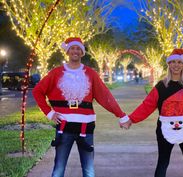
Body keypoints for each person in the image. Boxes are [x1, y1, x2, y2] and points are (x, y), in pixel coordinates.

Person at [32, 37, 129, 177]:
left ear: (82, 52)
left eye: (78, 48)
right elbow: (37, 92)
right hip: (64, 126)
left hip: (86, 127)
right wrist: (49, 113)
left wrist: (121, 115)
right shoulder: (56, 73)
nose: (75, 51)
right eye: (72, 48)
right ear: (68, 51)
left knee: (88, 170)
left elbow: (105, 97)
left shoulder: (91, 74)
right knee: (59, 168)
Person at [121, 48, 183, 177]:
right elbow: (147, 106)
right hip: (164, 129)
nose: (176, 65)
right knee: (163, 163)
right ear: (169, 64)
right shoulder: (161, 86)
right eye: (173, 62)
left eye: (179, 62)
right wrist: (131, 119)